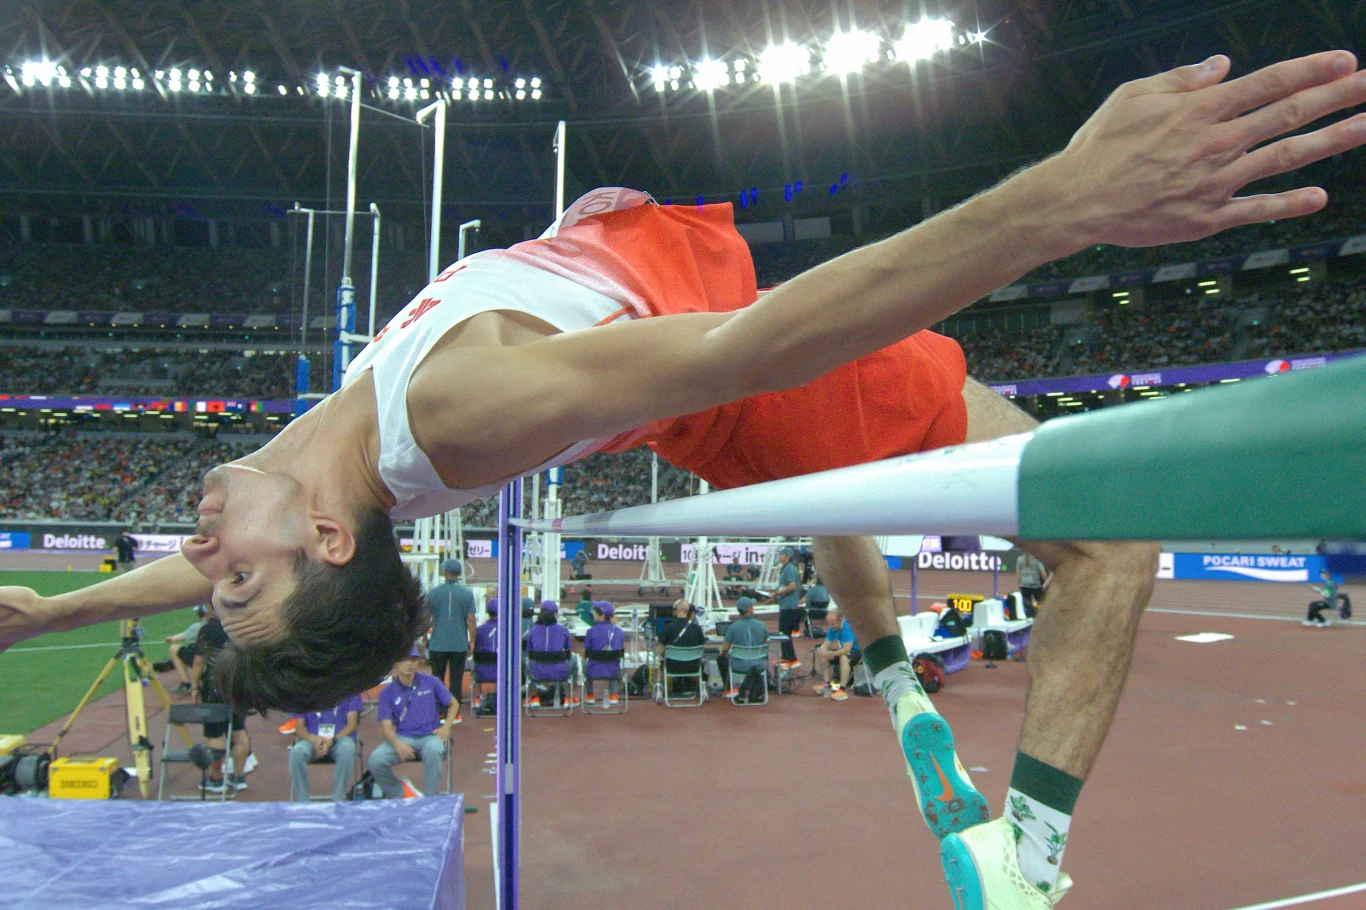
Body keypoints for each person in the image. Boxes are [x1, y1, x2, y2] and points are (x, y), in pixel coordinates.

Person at [6, 51, 1365, 907]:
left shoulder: (339, 462)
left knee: (830, 484)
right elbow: (750, 349)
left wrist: (51, 611)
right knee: (1103, 538)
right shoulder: (451, 417)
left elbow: (224, 572)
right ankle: (1025, 865)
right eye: (238, 579)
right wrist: (1061, 201)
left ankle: (896, 682)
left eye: (215, 579)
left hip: (700, 379)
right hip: (746, 368)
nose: (205, 554)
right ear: (325, 539)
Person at [368, 646, 458, 798]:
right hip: (403, 737)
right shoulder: (387, 693)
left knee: (433, 750)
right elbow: (386, 728)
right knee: (375, 761)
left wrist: (446, 727)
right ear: (396, 663)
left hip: (430, 736)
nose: (409, 663)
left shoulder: (432, 682)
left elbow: (453, 704)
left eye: (413, 660)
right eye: (405, 660)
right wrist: (397, 744)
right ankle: (400, 793)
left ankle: (430, 799)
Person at [190, 614, 252, 793]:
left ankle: (216, 778)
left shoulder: (208, 629)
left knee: (215, 732)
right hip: (239, 684)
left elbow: (198, 662)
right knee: (239, 730)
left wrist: (194, 686)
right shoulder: (240, 623)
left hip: (215, 686)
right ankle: (239, 777)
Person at [425, 558, 476, 718]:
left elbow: (425, 618)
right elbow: (471, 619)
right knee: (456, 679)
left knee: (437, 679)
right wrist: (472, 640)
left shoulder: (433, 593)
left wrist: (424, 638)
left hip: (437, 643)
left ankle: (439, 712)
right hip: (459, 644)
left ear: (445, 572)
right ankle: (454, 713)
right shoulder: (467, 594)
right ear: (459, 573)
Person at [288, 693, 363, 802]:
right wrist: (313, 739)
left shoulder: (352, 691)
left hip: (339, 739)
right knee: (296, 752)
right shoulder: (304, 691)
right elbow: (299, 728)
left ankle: (338, 800)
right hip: (312, 740)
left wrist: (331, 741)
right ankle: (303, 802)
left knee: (347, 749)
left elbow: (351, 725)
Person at [524, 600, 577, 708]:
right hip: (560, 672)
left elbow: (528, 653)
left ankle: (534, 697)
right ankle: (569, 697)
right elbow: (569, 653)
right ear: (555, 614)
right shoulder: (563, 630)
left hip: (537, 673)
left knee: (526, 661)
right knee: (575, 660)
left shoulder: (532, 630)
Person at [719, 596, 768, 699]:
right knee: (763, 656)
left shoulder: (733, 627)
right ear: (749, 609)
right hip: (758, 664)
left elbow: (725, 649)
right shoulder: (761, 625)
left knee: (721, 659)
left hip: (740, 665)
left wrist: (721, 654)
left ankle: (729, 689)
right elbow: (764, 645)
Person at [582, 600, 625, 705]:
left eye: (595, 611)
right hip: (614, 672)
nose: (593, 613)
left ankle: (590, 695)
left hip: (593, 671)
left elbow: (586, 653)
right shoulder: (619, 632)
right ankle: (613, 695)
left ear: (602, 616)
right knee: (614, 662)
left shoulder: (590, 632)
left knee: (584, 662)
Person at [656, 598, 705, 692]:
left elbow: (660, 651)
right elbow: (702, 649)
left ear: (677, 610)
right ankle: (700, 688)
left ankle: (659, 687)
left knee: (660, 662)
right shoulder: (697, 628)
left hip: (672, 667)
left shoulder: (668, 628)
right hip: (693, 667)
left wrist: (664, 655)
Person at [812, 608, 858, 701]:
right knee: (824, 655)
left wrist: (829, 653)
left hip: (857, 652)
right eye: (829, 624)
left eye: (833, 624)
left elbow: (847, 649)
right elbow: (826, 644)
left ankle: (842, 689)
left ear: (840, 621)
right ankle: (827, 684)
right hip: (843, 651)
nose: (831, 627)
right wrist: (820, 650)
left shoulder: (847, 628)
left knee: (844, 657)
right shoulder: (832, 629)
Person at [770, 546, 803, 668]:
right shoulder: (785, 569)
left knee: (785, 633)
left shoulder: (789, 569)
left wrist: (777, 594)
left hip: (789, 607)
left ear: (787, 556)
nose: (779, 556)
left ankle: (793, 660)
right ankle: (785, 657)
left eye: (781, 554)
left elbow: (792, 586)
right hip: (786, 605)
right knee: (783, 632)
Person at [163, 604, 208, 693]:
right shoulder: (219, 623)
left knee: (173, 648)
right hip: (217, 660)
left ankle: (186, 683)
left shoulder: (198, 626)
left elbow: (176, 639)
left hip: (202, 661)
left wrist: (169, 639)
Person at [471, 600, 499, 703]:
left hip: (481, 673)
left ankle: (477, 698)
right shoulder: (507, 630)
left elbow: (473, 649)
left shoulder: (479, 630)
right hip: (502, 672)